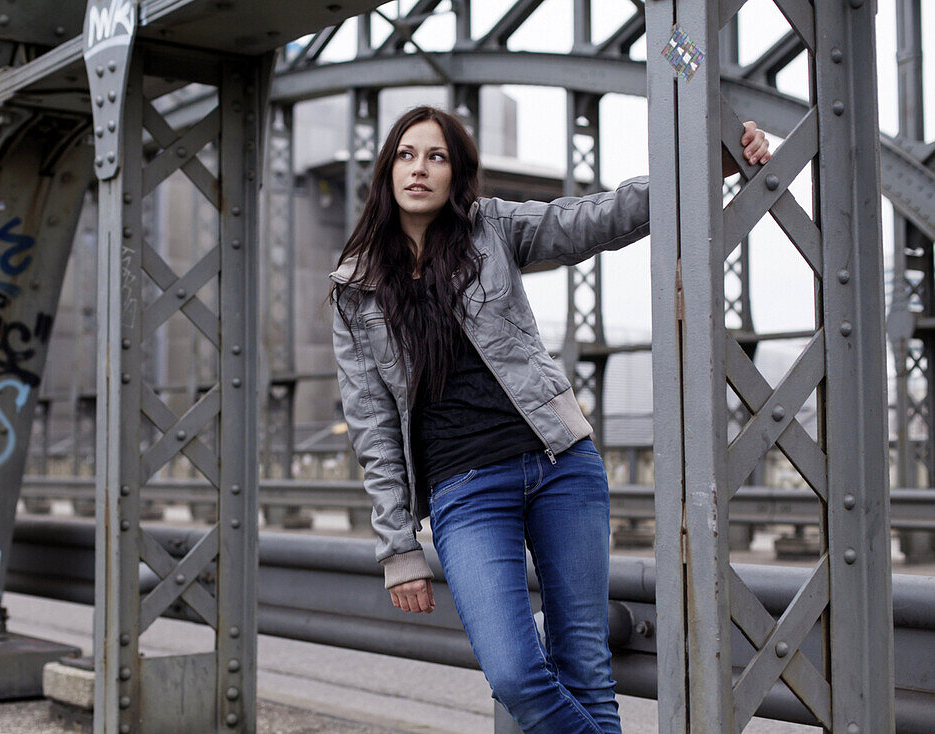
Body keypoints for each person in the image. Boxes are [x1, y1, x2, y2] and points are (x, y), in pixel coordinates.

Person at [328, 106, 770, 734]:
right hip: (464, 492)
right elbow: (371, 423)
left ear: (457, 173)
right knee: (513, 673)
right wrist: (398, 547)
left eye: (436, 156)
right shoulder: (356, 288)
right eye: (406, 155)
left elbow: (593, 219)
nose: (419, 169)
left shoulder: (492, 229)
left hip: (560, 465)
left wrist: (708, 165)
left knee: (585, 669)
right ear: (386, 171)